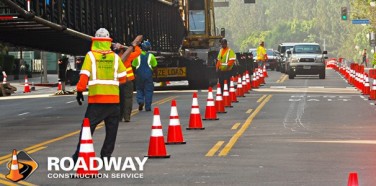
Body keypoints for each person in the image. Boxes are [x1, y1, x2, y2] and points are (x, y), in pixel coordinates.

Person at [73, 28, 127, 161]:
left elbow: (84, 76)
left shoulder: (91, 56)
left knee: (87, 129)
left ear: (95, 40)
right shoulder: (115, 57)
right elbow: (123, 78)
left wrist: (80, 90)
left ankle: (79, 155)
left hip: (97, 100)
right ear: (108, 41)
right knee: (111, 131)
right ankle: (106, 156)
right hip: (113, 101)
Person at [118, 42, 141, 122]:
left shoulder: (116, 58)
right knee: (128, 99)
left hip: (118, 82)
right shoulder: (128, 56)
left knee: (119, 99)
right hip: (128, 81)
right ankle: (127, 117)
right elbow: (138, 52)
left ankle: (119, 117)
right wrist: (135, 46)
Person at [132, 40, 158, 111]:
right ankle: (148, 107)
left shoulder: (137, 56)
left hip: (139, 76)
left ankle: (140, 101)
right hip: (148, 76)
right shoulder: (151, 56)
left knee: (139, 89)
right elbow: (155, 67)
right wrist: (156, 76)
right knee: (148, 91)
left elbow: (133, 66)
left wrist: (134, 75)